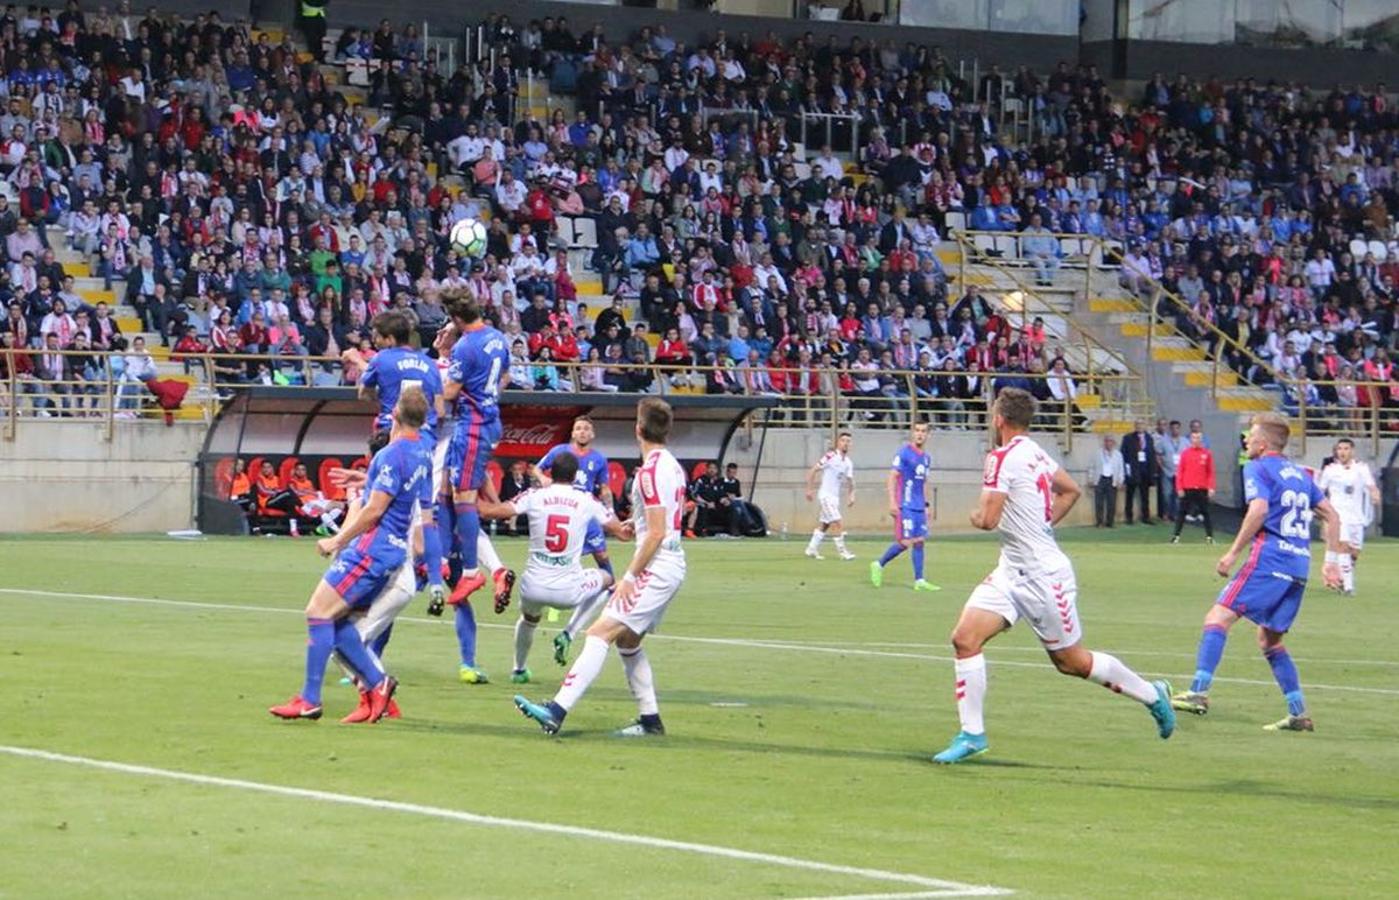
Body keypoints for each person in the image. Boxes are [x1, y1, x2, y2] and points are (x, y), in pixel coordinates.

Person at [932, 388, 1175, 764]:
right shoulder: (1035, 451)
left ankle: (1151, 694)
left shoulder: (1000, 458)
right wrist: (1039, 527)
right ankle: (972, 735)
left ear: (998, 419)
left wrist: (974, 516)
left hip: (1043, 577)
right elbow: (1071, 490)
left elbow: (987, 520)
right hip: (1010, 570)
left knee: (1071, 663)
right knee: (965, 639)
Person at [514, 398, 687, 737]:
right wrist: (627, 527)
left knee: (598, 634)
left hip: (658, 563)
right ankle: (650, 720)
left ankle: (557, 710)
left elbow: (655, 531)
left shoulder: (650, 471)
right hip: (670, 560)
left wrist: (630, 577)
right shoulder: (671, 465)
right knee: (628, 642)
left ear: (638, 429)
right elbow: (655, 522)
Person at [269, 387, 441, 723]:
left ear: (394, 414)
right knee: (340, 622)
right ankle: (378, 684)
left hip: (371, 549)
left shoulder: (389, 455)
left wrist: (337, 539)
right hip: (393, 552)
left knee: (317, 612)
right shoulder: (424, 451)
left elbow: (374, 509)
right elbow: (409, 498)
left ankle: (310, 698)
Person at [1172, 414, 1344, 732]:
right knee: (1269, 640)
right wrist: (1331, 561)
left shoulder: (1258, 467)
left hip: (1270, 560)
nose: (1247, 440)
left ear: (1263, 443)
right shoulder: (1302, 474)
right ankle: (1298, 713)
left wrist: (1232, 552)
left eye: (1251, 435)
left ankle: (1198, 692)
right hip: (1299, 566)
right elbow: (1331, 515)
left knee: (1217, 618)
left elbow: (1259, 509)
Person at [479, 452, 632, 683]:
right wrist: (633, 525)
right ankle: (569, 632)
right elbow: (621, 534)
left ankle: (518, 670)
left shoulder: (534, 495)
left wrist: (464, 498)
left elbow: (492, 512)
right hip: (567, 591)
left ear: (550, 473)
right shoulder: (587, 500)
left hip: (532, 586)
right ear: (575, 476)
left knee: (529, 620)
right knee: (609, 580)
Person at [440, 298, 511, 684]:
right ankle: (484, 567)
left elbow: (449, 391)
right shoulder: (498, 338)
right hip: (490, 420)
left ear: (454, 318)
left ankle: (471, 570)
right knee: (453, 493)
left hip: (472, 427)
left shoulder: (465, 347)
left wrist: (439, 364)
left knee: (464, 496)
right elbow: (502, 379)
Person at [537, 416, 615, 580]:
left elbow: (605, 489)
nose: (582, 432)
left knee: (601, 553)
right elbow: (537, 469)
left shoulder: (599, 459)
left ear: (592, 434)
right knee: (565, 555)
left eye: (586, 429)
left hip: (586, 511)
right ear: (573, 433)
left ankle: (612, 588)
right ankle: (556, 587)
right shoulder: (559, 451)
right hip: (564, 509)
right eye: (579, 428)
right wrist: (543, 478)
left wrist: (610, 510)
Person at [871, 420, 940, 591]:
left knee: (920, 541)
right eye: (917, 430)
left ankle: (919, 580)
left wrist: (926, 505)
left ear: (928, 435)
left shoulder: (926, 458)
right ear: (912, 433)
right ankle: (878, 564)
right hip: (905, 504)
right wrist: (893, 502)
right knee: (905, 541)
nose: (920, 434)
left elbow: (923, 482)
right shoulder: (904, 453)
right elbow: (892, 477)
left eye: (923, 431)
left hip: (918, 506)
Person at [1316, 438, 1380, 595]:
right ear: (1336, 451)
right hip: (1338, 515)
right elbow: (1319, 490)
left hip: (1356, 516)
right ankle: (1348, 586)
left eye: (1346, 448)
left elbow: (1371, 486)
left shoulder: (1361, 468)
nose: (1342, 452)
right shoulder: (1330, 470)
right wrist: (1320, 511)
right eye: (1340, 449)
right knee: (1343, 546)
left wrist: (1375, 494)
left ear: (1352, 451)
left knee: (1354, 552)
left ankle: (1336, 571)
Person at [804, 432, 856, 561]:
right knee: (837, 522)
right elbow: (813, 470)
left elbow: (850, 481)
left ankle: (811, 549)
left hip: (835, 498)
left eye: (848, 441)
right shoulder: (830, 456)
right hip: (825, 496)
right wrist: (809, 489)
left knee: (825, 525)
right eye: (843, 440)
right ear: (838, 442)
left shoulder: (848, 462)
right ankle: (843, 552)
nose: (845, 443)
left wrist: (851, 495)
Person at [1170, 431, 1216, 544]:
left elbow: (1210, 472)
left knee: (1205, 512)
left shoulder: (1207, 453)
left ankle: (1209, 537)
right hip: (1187, 487)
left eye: (1199, 438)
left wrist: (1211, 487)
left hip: (1201, 488)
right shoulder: (1185, 453)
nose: (1197, 440)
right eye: (1194, 438)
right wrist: (1179, 487)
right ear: (1191, 439)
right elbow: (1180, 471)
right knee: (1182, 512)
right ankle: (1176, 536)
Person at [1119, 421, 1156, 524]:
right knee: (1129, 495)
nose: (1140, 426)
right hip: (1133, 470)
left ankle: (1146, 517)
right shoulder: (1128, 438)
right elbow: (1124, 454)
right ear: (1135, 426)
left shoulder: (1149, 438)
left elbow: (1152, 455)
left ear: (1145, 426)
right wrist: (1126, 471)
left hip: (1145, 471)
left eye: (1142, 424)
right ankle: (1129, 517)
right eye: (1138, 425)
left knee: (1145, 496)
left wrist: (1152, 472)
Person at [1094, 435, 1124, 527]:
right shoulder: (1098, 453)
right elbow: (1091, 466)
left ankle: (1110, 522)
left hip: (1112, 479)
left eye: (1111, 441)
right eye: (1107, 441)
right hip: (1100, 478)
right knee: (1099, 502)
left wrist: (1120, 480)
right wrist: (1091, 478)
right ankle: (1099, 522)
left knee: (1111, 502)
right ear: (1104, 442)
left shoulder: (1118, 455)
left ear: (1113, 443)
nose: (1109, 443)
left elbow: (1121, 469)